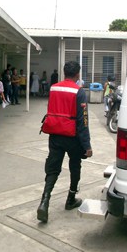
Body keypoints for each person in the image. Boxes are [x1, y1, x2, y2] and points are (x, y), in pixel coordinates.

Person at [37, 61, 93, 223]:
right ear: (77, 74)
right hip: (72, 136)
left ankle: (44, 202)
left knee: (52, 169)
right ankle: (70, 199)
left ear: (63, 72)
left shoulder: (54, 88)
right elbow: (83, 122)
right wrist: (87, 145)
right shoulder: (79, 92)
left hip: (55, 135)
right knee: (75, 167)